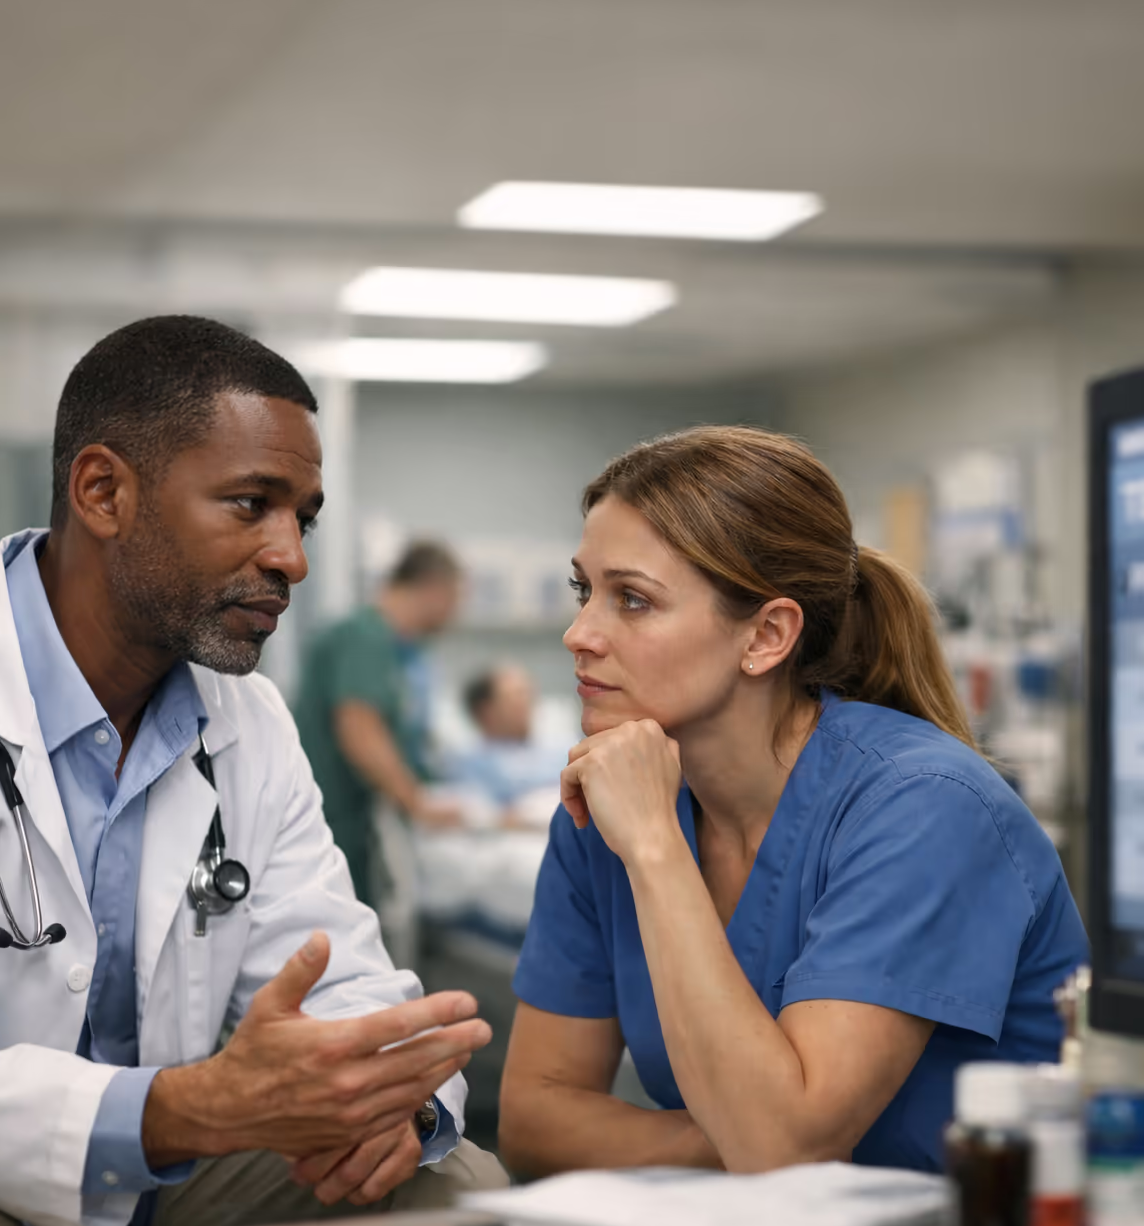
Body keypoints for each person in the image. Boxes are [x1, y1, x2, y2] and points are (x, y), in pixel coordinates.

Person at [0, 315, 502, 1226]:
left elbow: (343, 982)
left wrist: (397, 1104)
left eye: (303, 517)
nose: (291, 557)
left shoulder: (245, 720)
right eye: (252, 503)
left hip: (157, 1197)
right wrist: (188, 1109)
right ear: (103, 492)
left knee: (455, 1192)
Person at [499, 425, 1088, 1180]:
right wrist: (727, 1136)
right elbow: (533, 1122)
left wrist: (654, 849)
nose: (578, 634)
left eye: (633, 600)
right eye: (585, 591)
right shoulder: (607, 808)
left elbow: (784, 1150)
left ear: (767, 636)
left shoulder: (923, 806)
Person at [296, 541, 465, 903]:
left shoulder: (392, 649)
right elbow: (360, 730)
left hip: (350, 824)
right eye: (455, 599)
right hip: (329, 821)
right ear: (434, 589)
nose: (455, 613)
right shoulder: (365, 638)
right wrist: (417, 804)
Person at [447, 665, 571, 816]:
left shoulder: (562, 749)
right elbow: (482, 813)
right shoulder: (469, 762)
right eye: (516, 696)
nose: (527, 703)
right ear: (485, 710)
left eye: (528, 694)